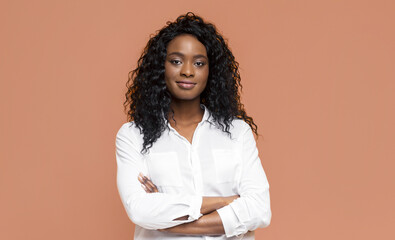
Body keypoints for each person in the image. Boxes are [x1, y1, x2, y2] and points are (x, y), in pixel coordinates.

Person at [115, 12, 271, 239]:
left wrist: (170, 218)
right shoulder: (133, 136)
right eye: (176, 61)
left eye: (199, 63)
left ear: (211, 70)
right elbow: (140, 210)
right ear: (161, 67)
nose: (187, 71)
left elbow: (260, 210)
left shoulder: (238, 133)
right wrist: (225, 202)